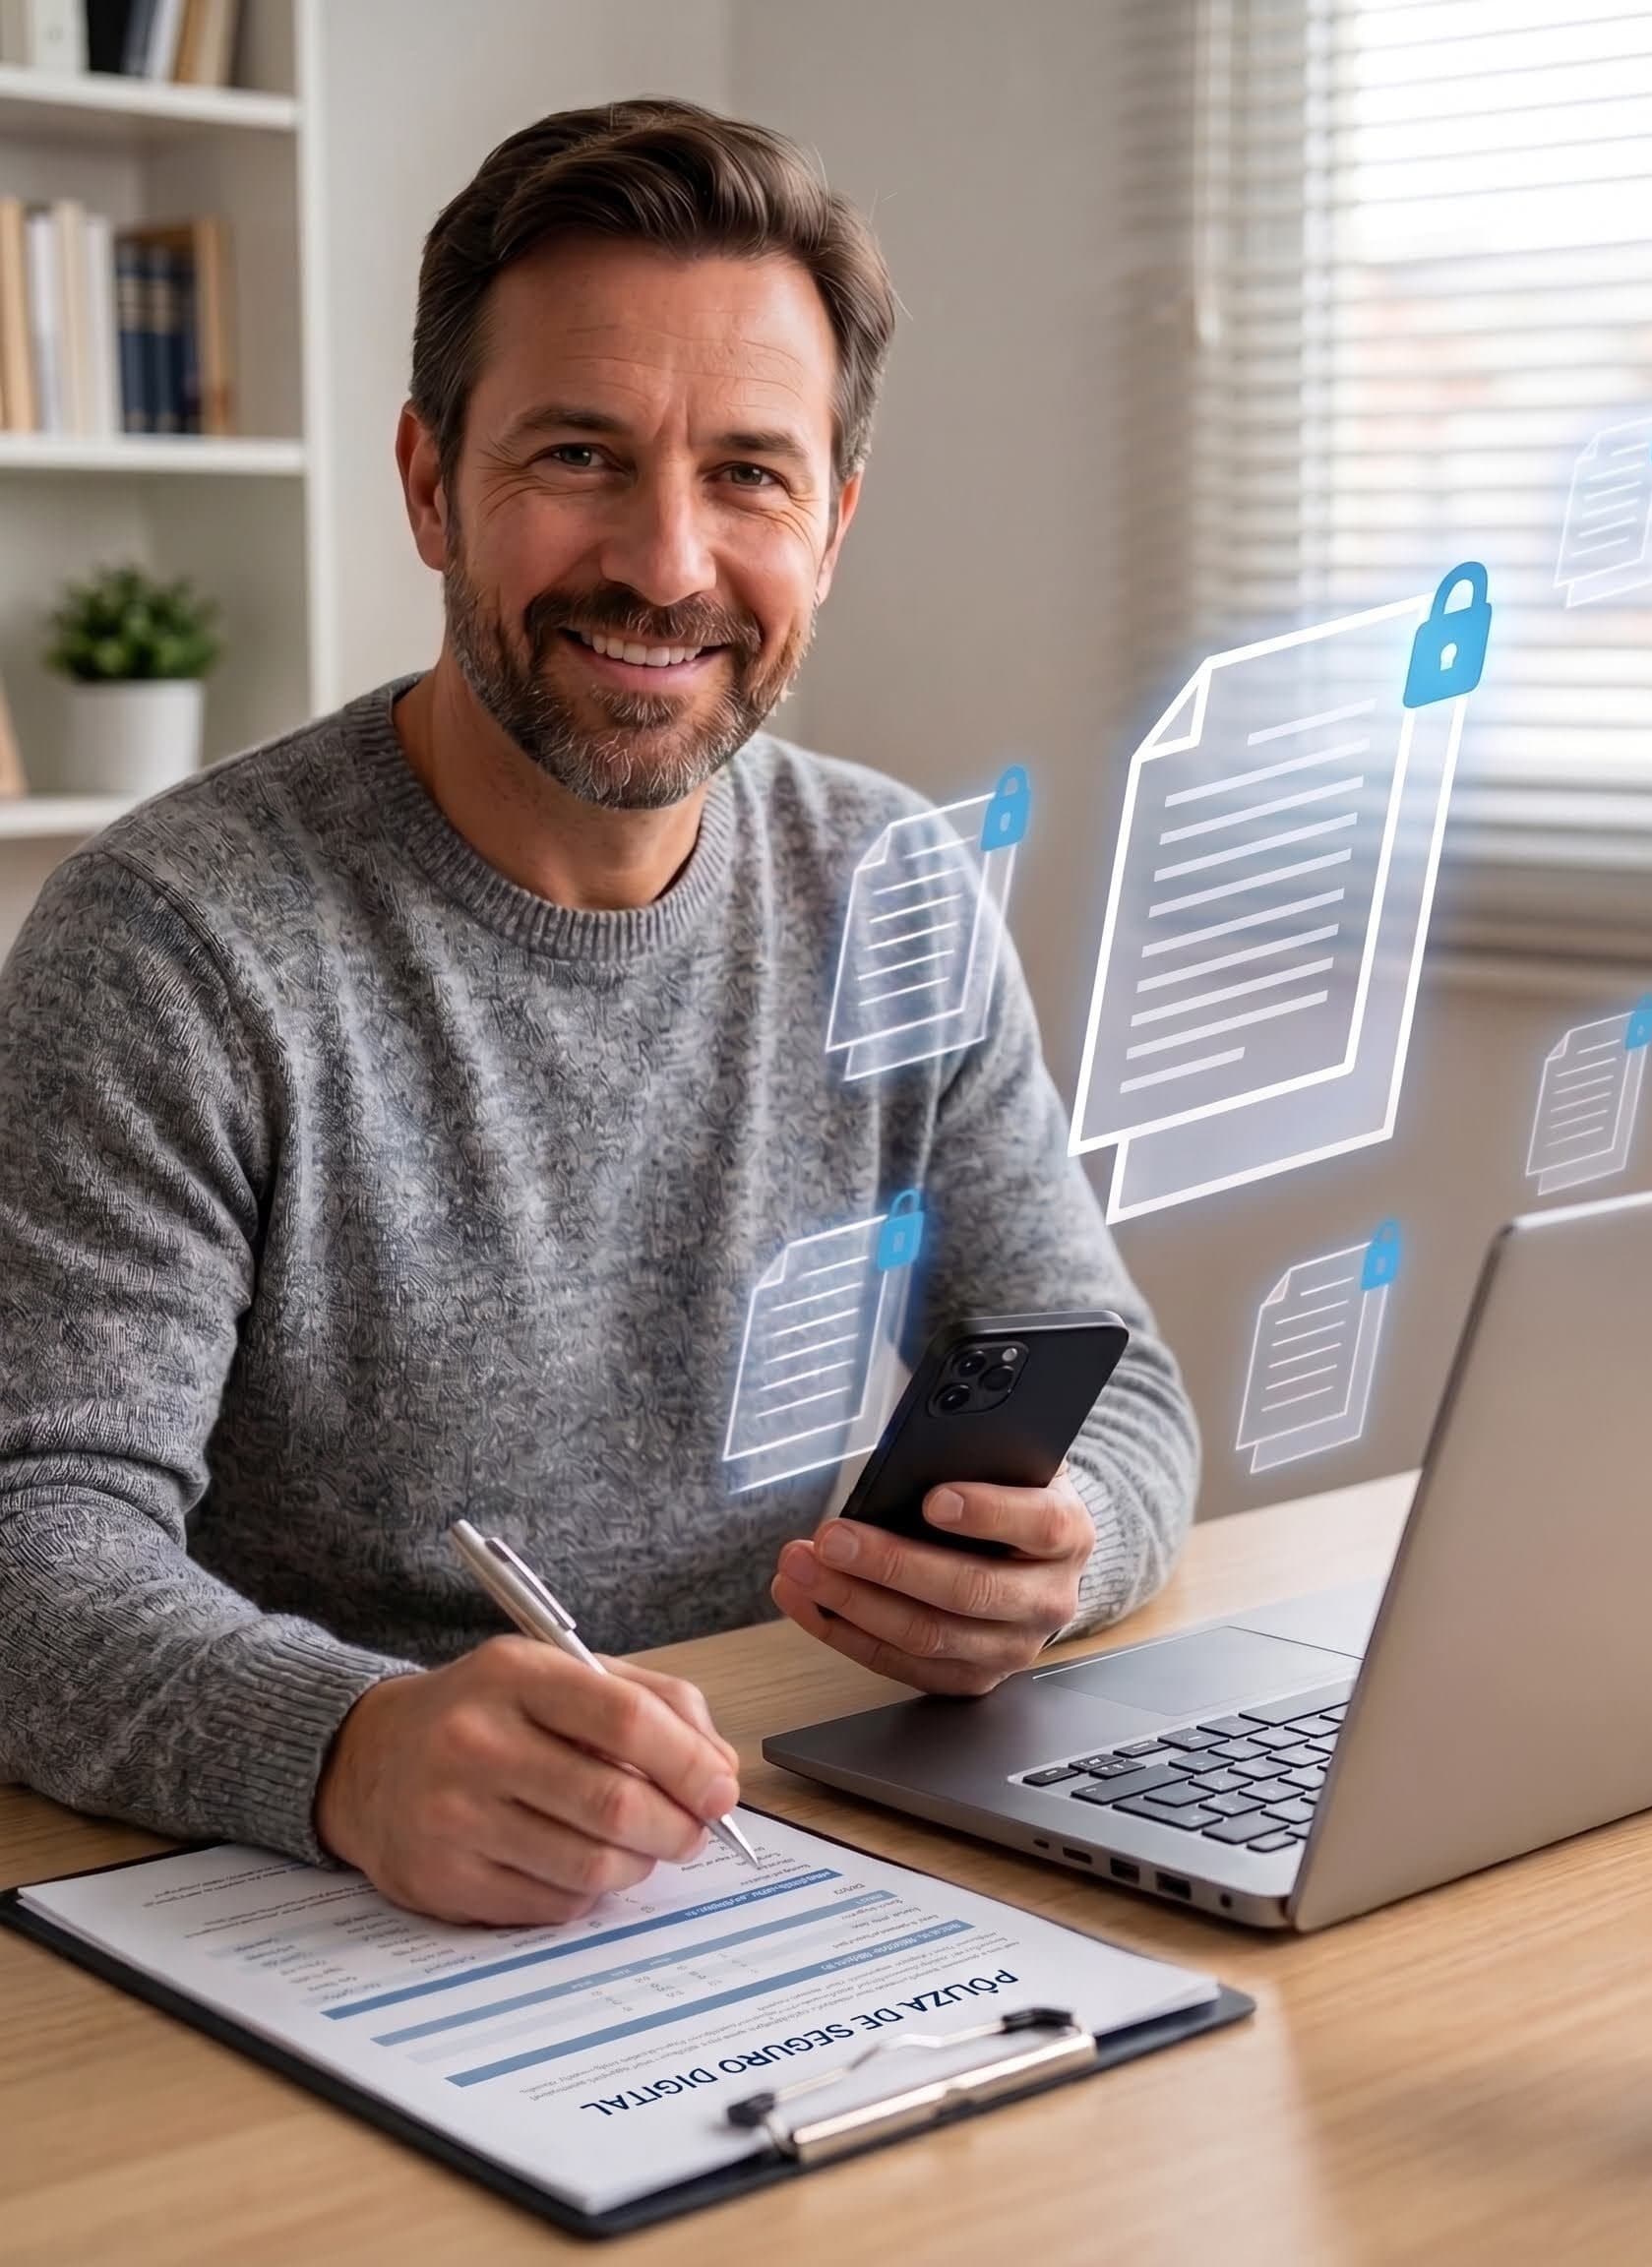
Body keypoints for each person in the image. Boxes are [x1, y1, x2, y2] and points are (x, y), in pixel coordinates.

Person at [0, 97, 1198, 1926]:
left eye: (749, 474)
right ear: (430, 484)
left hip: (774, 1834)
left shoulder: (891, 885)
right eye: (579, 453)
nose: (667, 562)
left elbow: (1118, 1383)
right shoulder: (171, 943)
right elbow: (32, 1542)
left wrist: (1061, 1550)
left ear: (833, 521)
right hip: (312, 1901)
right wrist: (346, 1748)